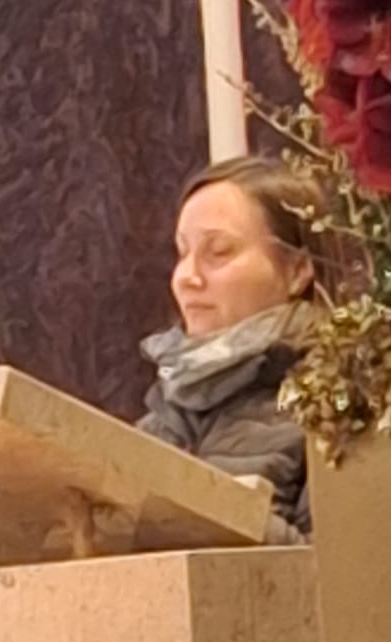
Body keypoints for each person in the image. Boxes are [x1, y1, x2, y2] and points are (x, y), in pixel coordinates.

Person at [138, 155, 331, 545]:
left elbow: (348, 570)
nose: (187, 277)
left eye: (219, 251)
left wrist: (212, 510)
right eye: (182, 252)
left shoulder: (334, 406)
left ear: (298, 270)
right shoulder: (159, 419)